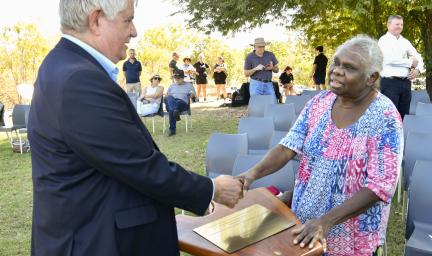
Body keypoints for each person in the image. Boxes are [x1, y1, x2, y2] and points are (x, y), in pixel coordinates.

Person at [28, 1, 243, 255]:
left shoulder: (63, 65)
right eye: (127, 20)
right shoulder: (79, 80)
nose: (134, 32)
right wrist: (212, 189)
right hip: (95, 241)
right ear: (96, 20)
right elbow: (138, 164)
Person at [238, 35, 402, 256]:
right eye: (336, 63)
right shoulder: (319, 103)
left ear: (371, 77)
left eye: (349, 68)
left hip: (350, 239)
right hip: (305, 228)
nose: (336, 70)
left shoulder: (385, 117)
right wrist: (250, 174)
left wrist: (325, 222)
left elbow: (379, 187)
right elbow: (288, 147)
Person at [378, 14, 424, 119]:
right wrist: (410, 62)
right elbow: (388, 59)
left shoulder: (405, 42)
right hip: (390, 84)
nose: (399, 26)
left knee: (404, 118)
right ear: (388, 25)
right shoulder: (383, 40)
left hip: (406, 84)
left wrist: (417, 70)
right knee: (390, 119)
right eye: (397, 24)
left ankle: (402, 136)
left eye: (401, 24)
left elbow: (419, 58)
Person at [165, 69, 196, 136]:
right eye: (175, 78)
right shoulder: (172, 85)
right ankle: (175, 111)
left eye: (178, 78)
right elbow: (167, 95)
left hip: (183, 104)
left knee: (175, 105)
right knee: (170, 98)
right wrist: (167, 95)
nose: (177, 79)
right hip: (172, 102)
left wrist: (192, 95)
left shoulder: (189, 85)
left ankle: (172, 130)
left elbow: (194, 97)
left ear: (182, 78)